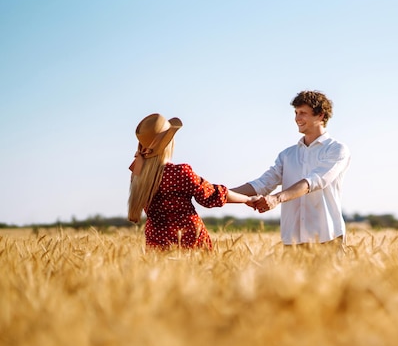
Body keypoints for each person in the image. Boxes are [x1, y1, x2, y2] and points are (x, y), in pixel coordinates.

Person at [232, 90, 351, 246]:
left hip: (327, 237)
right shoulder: (287, 155)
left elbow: (314, 181)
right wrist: (217, 193)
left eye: (303, 113)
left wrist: (276, 198)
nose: (297, 118)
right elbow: (263, 183)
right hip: (293, 240)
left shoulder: (336, 149)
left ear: (321, 115)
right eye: (295, 113)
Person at [128, 113, 257, 250]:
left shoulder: (138, 176)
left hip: (156, 243)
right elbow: (212, 194)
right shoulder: (179, 172)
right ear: (168, 143)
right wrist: (247, 199)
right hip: (190, 241)